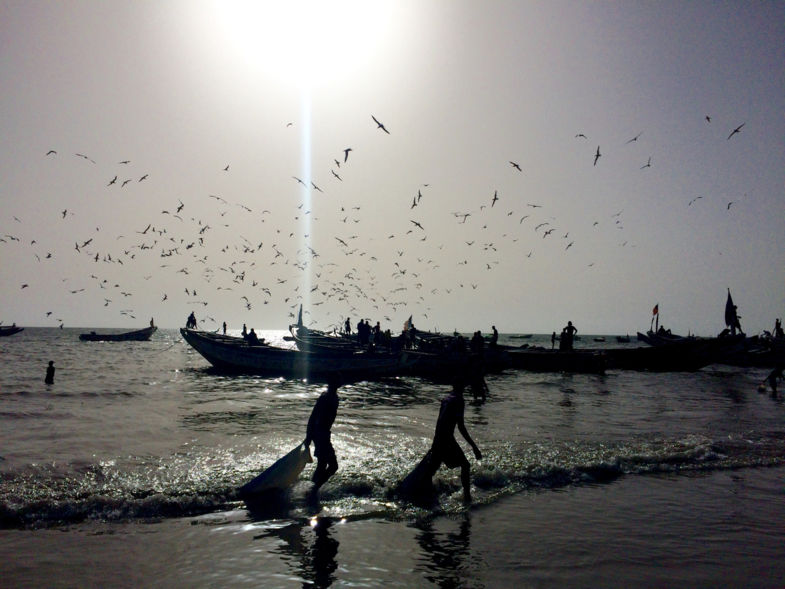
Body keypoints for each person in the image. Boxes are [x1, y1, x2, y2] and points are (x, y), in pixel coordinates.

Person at [426, 378, 482, 502]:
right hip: (447, 439)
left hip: (438, 437)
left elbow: (440, 422)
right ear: (463, 387)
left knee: (431, 470)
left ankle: (428, 493)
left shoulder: (446, 399)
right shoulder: (459, 401)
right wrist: (474, 447)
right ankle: (467, 497)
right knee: (465, 465)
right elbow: (461, 427)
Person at [304, 374, 341, 496]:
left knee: (323, 465)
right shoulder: (327, 397)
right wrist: (309, 436)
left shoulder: (332, 397)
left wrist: (310, 435)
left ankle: (312, 487)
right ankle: (313, 489)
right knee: (332, 466)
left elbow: (314, 416)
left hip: (322, 434)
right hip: (321, 434)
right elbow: (313, 416)